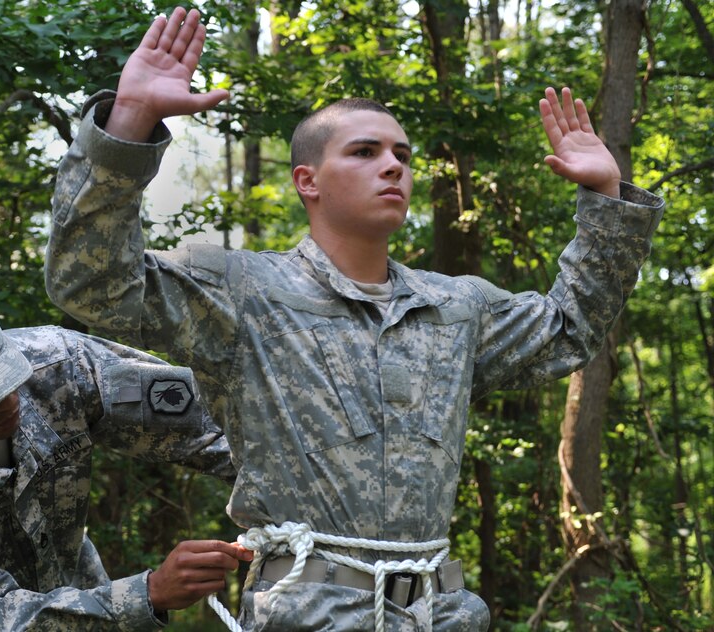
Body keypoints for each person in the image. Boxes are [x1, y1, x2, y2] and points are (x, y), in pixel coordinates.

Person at [45, 6, 665, 631]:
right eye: (365, 152)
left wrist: (605, 200)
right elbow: (91, 284)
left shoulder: (455, 307)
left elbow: (569, 330)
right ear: (307, 181)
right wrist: (129, 122)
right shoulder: (246, 291)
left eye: (401, 153)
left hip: (441, 612)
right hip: (309, 612)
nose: (393, 164)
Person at [0, 268, 252, 631]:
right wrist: (147, 594)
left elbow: (223, 426)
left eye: (6, 373)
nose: (9, 400)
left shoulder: (62, 365)